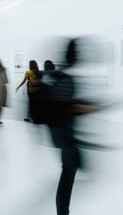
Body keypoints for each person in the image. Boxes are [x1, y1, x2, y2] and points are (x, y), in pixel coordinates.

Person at [39, 40, 97, 215]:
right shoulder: (66, 78)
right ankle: (62, 212)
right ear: (74, 55)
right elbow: (67, 106)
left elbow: (65, 104)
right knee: (68, 173)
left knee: (69, 169)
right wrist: (91, 107)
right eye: (78, 53)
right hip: (64, 133)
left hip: (60, 132)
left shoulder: (58, 74)